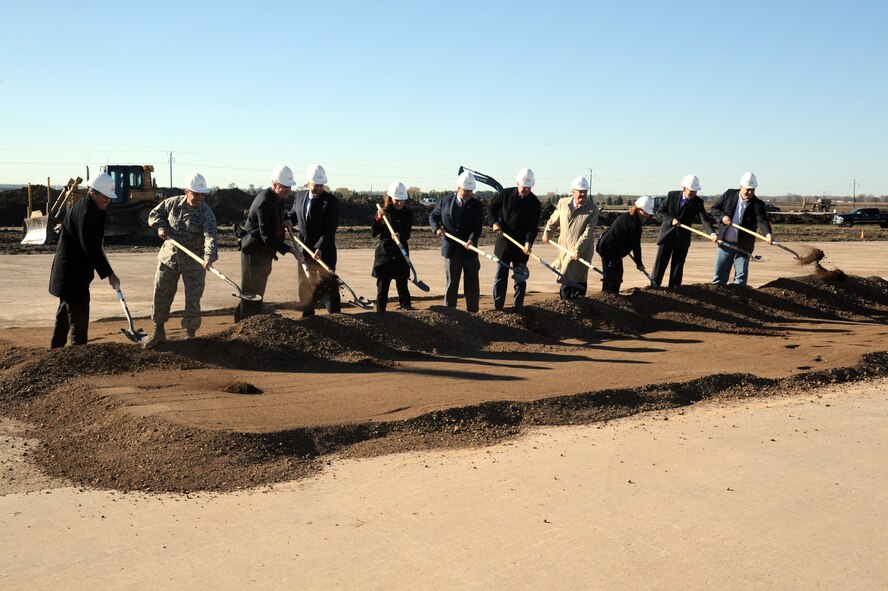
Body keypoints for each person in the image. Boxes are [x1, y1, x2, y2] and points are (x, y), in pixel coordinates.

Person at [142, 172, 218, 348]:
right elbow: (154, 214)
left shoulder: (207, 213)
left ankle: (190, 335)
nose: (199, 198)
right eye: (196, 194)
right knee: (161, 293)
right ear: (187, 192)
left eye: (202, 194)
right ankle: (158, 330)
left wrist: (208, 257)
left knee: (193, 298)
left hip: (194, 260)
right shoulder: (172, 203)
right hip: (169, 257)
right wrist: (160, 227)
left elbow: (210, 237)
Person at [49, 173, 121, 347]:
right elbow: (91, 248)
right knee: (78, 319)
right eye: (104, 197)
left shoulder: (92, 207)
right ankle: (79, 358)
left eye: (109, 198)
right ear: (93, 193)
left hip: (72, 273)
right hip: (72, 275)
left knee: (65, 314)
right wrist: (110, 274)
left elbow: (94, 244)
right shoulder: (86, 211)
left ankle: (55, 351)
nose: (107, 201)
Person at [235, 164, 298, 321]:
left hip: (266, 252)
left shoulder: (278, 198)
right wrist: (291, 250)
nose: (288, 190)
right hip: (253, 252)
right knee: (250, 292)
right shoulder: (264, 201)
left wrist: (286, 219)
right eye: (285, 187)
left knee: (259, 290)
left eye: (289, 187)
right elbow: (266, 236)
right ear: (274, 184)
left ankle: (252, 321)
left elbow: (277, 217)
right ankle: (245, 325)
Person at [429, 171, 484, 312]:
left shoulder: (477, 205)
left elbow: (477, 226)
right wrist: (437, 229)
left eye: (471, 191)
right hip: (451, 250)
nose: (469, 193)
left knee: (472, 283)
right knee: (451, 283)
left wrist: (472, 240)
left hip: (469, 251)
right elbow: (433, 216)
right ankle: (449, 311)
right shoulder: (445, 201)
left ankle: (473, 312)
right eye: (466, 190)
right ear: (459, 188)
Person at [650, 174, 717, 288]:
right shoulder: (672, 195)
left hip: (682, 239)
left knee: (678, 265)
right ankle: (654, 287)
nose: (694, 193)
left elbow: (704, 219)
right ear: (684, 188)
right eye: (692, 191)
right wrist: (671, 220)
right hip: (667, 235)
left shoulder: (698, 202)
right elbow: (660, 212)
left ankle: (675, 289)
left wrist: (712, 233)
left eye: (695, 191)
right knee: (661, 263)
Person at [290, 164, 340, 317]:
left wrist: (320, 247)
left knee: (328, 284)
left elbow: (330, 228)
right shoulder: (299, 196)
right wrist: (288, 221)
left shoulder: (331, 201)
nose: (319, 188)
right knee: (305, 282)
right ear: (308, 182)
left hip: (324, 250)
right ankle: (308, 313)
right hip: (304, 249)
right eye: (315, 184)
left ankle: (336, 316)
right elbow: (294, 214)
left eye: (321, 185)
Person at [489, 168, 541, 309]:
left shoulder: (534, 203)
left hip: (521, 245)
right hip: (504, 242)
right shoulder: (505, 194)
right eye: (524, 187)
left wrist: (528, 242)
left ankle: (518, 307)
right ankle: (498, 307)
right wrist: (494, 223)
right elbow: (491, 208)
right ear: (517, 182)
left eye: (529, 188)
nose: (526, 190)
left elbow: (533, 227)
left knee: (520, 277)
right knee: (501, 275)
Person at [710, 172, 773, 286]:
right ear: (740, 186)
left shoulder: (758, 204)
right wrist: (723, 216)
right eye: (747, 189)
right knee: (719, 275)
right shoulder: (729, 194)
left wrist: (767, 234)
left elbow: (762, 221)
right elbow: (715, 208)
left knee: (741, 276)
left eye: (752, 189)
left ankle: (739, 300)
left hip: (744, 245)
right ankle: (717, 298)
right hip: (725, 243)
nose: (749, 192)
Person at [541, 176, 599, 299]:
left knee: (578, 278)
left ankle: (580, 307)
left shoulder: (592, 209)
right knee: (565, 276)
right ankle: (565, 306)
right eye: (580, 192)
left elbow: (587, 233)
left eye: (585, 192)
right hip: (565, 248)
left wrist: (578, 249)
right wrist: (547, 233)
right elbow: (553, 220)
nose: (583, 194)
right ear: (573, 192)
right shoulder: (563, 203)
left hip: (582, 250)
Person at [596, 196, 654, 294]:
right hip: (608, 249)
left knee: (615, 274)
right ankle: (609, 296)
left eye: (648, 214)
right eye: (645, 213)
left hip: (613, 248)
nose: (647, 216)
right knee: (614, 275)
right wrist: (639, 263)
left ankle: (611, 295)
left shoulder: (629, 216)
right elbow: (636, 246)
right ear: (639, 209)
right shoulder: (634, 224)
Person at [371, 181, 414, 313]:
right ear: (390, 198)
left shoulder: (408, 213)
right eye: (397, 200)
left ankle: (406, 309)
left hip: (401, 253)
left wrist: (400, 236)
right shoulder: (384, 213)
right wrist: (378, 219)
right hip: (384, 255)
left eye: (402, 200)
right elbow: (374, 232)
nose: (400, 203)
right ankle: (380, 312)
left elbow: (407, 232)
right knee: (382, 287)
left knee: (402, 286)